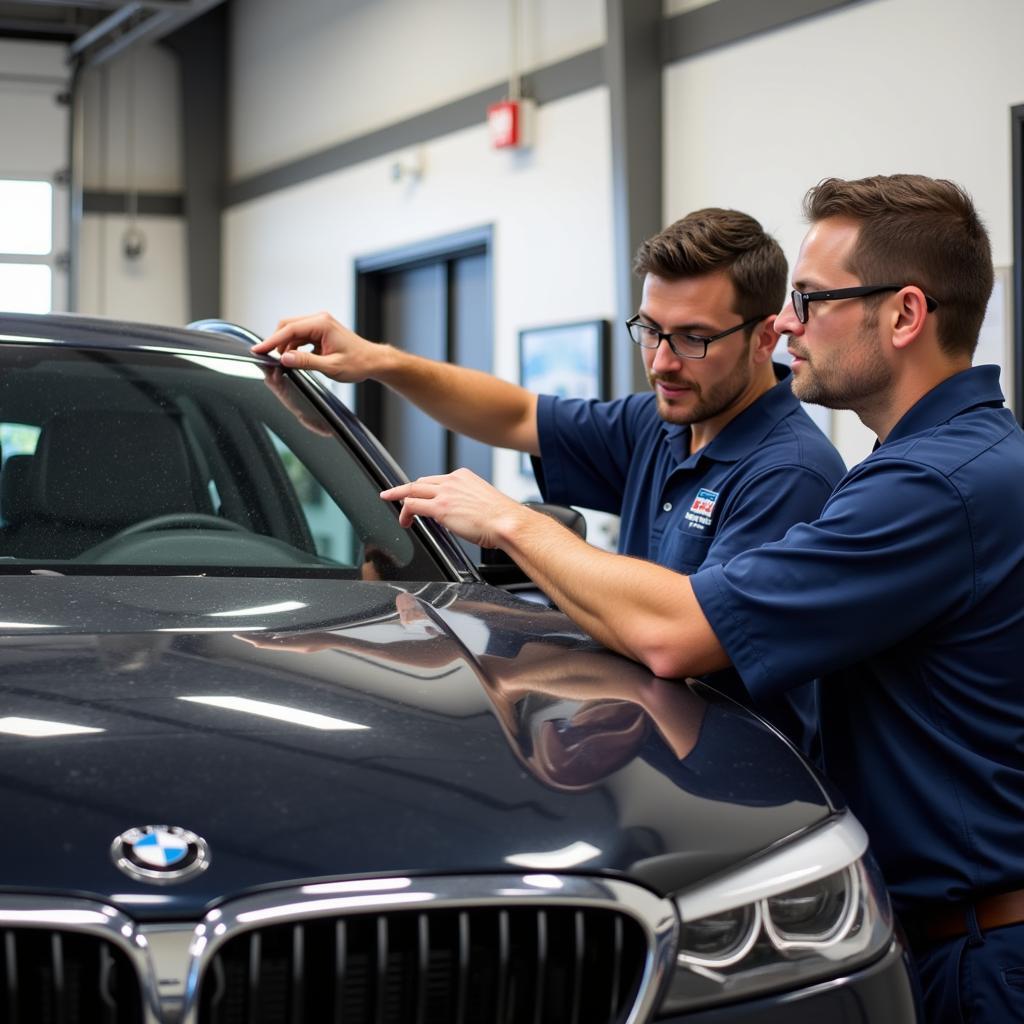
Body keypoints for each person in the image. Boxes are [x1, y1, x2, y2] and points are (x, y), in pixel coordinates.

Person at [375, 174, 1024, 1023]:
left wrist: (512, 525)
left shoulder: (926, 488)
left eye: (812, 300)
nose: (789, 325)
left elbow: (682, 632)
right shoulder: (949, 463)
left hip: (973, 955)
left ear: (903, 316)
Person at [253, 208, 846, 749]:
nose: (663, 361)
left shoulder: (787, 473)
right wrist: (379, 361)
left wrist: (510, 524)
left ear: (765, 336)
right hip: (650, 750)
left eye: (694, 338)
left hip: (741, 777)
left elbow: (677, 641)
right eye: (651, 330)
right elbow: (515, 414)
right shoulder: (660, 423)